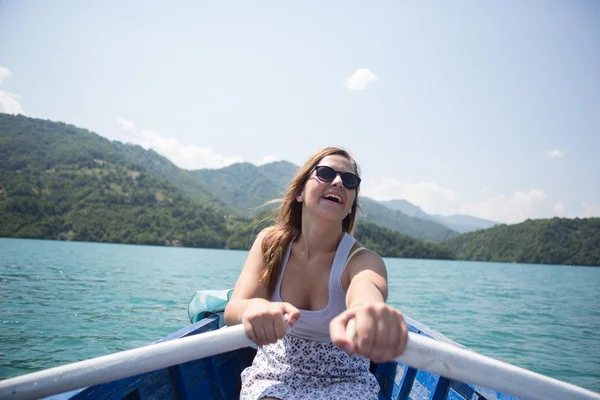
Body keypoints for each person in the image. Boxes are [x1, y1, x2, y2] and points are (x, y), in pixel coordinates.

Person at [224, 147, 408, 400]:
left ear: (351, 202)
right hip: (277, 372)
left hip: (345, 380)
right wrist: (252, 308)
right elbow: (233, 311)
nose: (338, 182)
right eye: (325, 173)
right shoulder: (270, 244)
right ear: (300, 191)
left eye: (349, 180)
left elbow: (367, 291)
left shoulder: (363, 260)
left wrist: (368, 310)